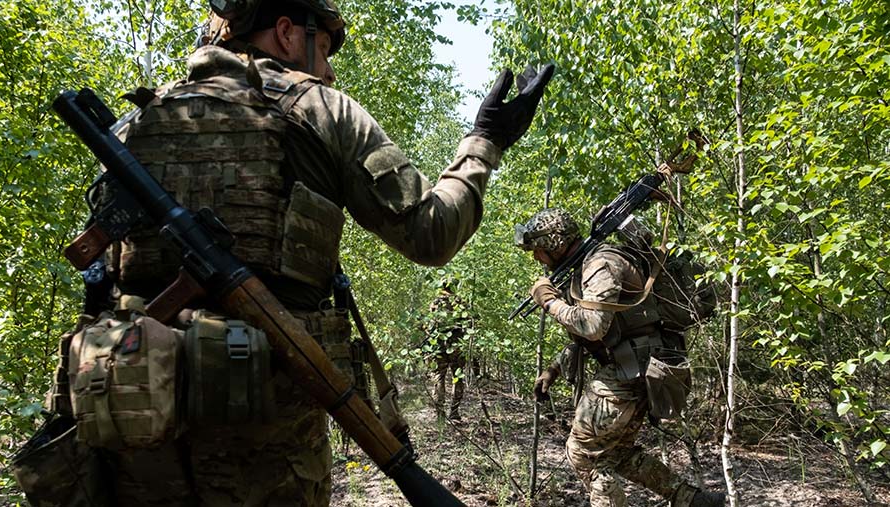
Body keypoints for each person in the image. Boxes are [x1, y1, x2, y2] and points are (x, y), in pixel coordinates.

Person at [76, 0, 554, 505]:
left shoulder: (134, 125)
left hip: (137, 410)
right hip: (265, 425)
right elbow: (432, 233)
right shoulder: (323, 110)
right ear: (285, 32)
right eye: (322, 47)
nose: (326, 68)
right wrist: (485, 142)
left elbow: (101, 275)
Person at [515, 208, 724, 507]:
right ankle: (692, 501)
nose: (537, 258)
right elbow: (597, 336)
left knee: (582, 453)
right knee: (615, 452)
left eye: (538, 250)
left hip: (631, 372)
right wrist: (554, 370)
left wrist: (550, 302)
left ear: (555, 243)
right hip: (633, 367)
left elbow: (593, 326)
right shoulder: (586, 265)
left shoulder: (600, 263)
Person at [424, 280, 470, 421]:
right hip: (457, 346)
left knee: (439, 378)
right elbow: (469, 324)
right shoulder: (460, 303)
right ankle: (454, 412)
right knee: (458, 378)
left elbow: (429, 326)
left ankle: (440, 414)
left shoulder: (435, 303)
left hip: (439, 347)